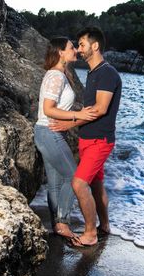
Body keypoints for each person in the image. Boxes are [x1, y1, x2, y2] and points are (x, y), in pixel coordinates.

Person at [50, 27, 122, 247]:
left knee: (79, 184)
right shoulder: (94, 72)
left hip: (100, 141)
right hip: (87, 140)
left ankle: (90, 234)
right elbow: (89, 110)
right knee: (96, 185)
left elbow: (99, 109)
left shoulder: (107, 73)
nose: (79, 49)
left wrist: (68, 122)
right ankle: (105, 225)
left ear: (95, 46)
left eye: (81, 44)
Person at [34, 37, 98, 240]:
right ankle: (62, 222)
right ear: (60, 52)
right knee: (74, 178)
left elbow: (55, 108)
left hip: (48, 132)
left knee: (55, 182)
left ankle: (57, 225)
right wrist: (78, 115)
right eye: (71, 48)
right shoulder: (56, 76)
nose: (76, 51)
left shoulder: (60, 74)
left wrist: (77, 113)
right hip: (49, 132)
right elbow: (48, 109)